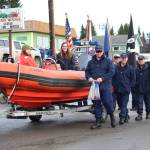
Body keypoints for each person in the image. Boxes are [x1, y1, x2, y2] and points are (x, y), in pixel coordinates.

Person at [85, 44, 116, 129]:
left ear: (102, 51)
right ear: (95, 51)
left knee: (107, 102)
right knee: (96, 104)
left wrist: (102, 79)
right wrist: (89, 78)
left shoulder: (108, 61)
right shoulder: (91, 62)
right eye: (97, 51)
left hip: (105, 86)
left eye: (100, 51)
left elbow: (112, 72)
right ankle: (98, 121)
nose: (98, 53)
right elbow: (87, 72)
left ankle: (112, 116)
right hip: (95, 87)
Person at [113, 52, 136, 124]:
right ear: (120, 58)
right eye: (122, 58)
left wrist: (129, 86)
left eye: (125, 58)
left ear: (127, 59)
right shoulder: (115, 68)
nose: (124, 59)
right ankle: (126, 115)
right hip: (117, 89)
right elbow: (112, 77)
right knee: (120, 104)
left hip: (126, 90)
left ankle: (122, 117)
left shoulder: (130, 68)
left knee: (124, 104)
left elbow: (133, 79)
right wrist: (114, 84)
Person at [134, 55, 150, 121]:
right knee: (139, 102)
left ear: (144, 60)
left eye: (142, 60)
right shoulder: (136, 69)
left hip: (148, 89)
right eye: (139, 60)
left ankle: (148, 113)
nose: (140, 61)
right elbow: (134, 79)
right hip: (139, 89)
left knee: (148, 102)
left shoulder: (148, 68)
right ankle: (140, 114)